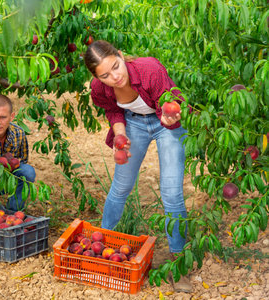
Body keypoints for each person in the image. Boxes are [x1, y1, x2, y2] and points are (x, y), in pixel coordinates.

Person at [84, 40, 192, 293]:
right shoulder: (99, 88)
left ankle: (179, 262)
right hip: (134, 124)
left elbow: (171, 103)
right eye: (105, 75)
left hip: (164, 123)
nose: (115, 77)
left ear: (121, 56)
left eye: (116, 67)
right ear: (96, 77)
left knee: (172, 194)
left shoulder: (150, 69)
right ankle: (99, 247)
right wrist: (120, 135)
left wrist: (169, 118)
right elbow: (112, 111)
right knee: (120, 188)